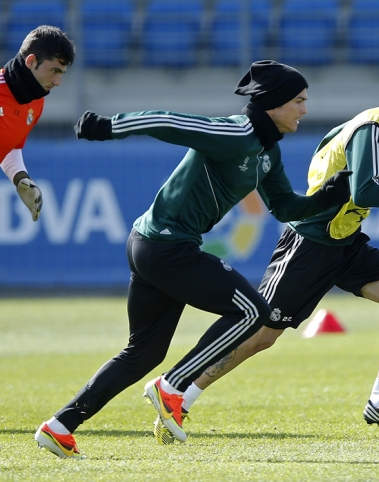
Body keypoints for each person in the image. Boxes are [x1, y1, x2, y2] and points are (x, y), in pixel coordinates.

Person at [34, 60, 352, 459]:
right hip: (166, 247)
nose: (305, 109)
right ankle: (171, 386)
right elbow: (167, 121)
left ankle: (59, 426)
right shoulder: (237, 132)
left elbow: (286, 206)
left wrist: (327, 197)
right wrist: (109, 127)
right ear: (273, 104)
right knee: (253, 311)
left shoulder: (268, 153)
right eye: (299, 101)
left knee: (144, 352)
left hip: (155, 246)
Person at [150, 56, 379, 445]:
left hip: (344, 239)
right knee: (260, 334)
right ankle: (179, 395)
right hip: (310, 244)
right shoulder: (374, 128)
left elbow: (330, 150)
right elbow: (363, 191)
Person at [1, 25, 75, 222]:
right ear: (31, 61)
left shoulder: (36, 103)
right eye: (54, 71)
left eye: (62, 73)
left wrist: (20, 178)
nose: (58, 81)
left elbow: (9, 146)